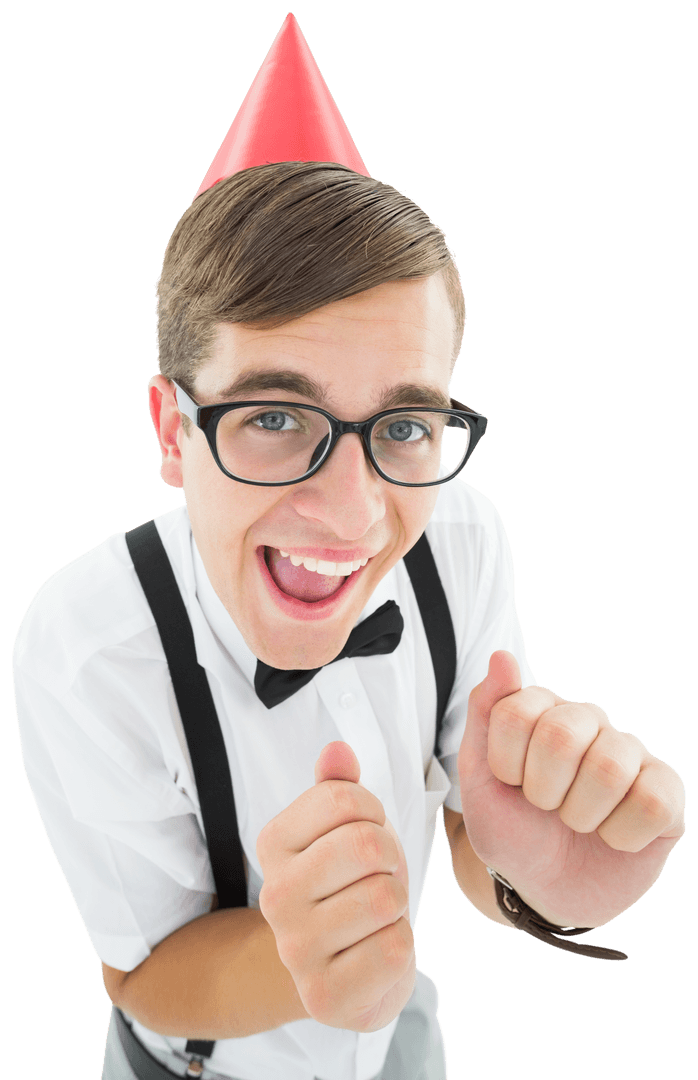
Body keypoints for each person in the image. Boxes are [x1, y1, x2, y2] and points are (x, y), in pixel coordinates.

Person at [13, 14, 686, 1080]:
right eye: (275, 416)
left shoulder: (459, 532)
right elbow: (139, 974)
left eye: (405, 426)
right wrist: (301, 963)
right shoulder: (85, 643)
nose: (351, 514)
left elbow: (474, 825)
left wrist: (531, 884)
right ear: (172, 432)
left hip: (399, 1041)